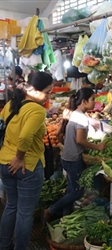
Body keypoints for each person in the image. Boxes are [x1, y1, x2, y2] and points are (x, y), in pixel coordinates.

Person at [0, 71, 53, 250]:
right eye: (47, 91)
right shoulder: (37, 110)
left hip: (5, 163)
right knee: (25, 213)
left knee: (11, 206)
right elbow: (25, 137)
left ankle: (5, 245)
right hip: (26, 166)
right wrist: (19, 158)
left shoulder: (10, 104)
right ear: (34, 91)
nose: (49, 95)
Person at [44, 88, 106, 222]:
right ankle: (51, 210)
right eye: (92, 99)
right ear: (84, 101)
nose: (94, 103)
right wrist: (97, 146)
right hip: (73, 159)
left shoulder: (75, 114)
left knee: (71, 189)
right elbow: (80, 140)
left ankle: (66, 217)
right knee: (77, 192)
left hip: (67, 156)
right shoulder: (82, 118)